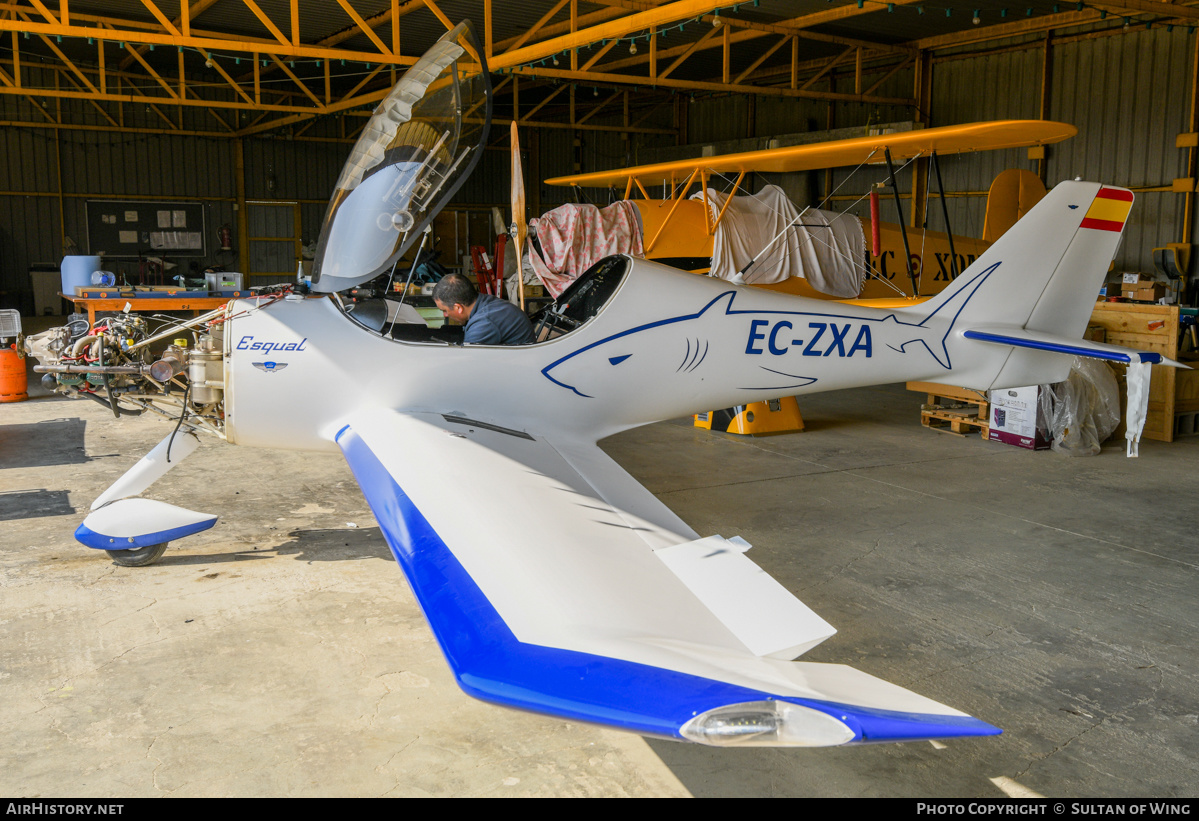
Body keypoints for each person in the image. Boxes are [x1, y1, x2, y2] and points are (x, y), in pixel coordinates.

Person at [431, 273, 536, 345]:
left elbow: (466, 364)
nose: (445, 315)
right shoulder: (486, 303)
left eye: (444, 310)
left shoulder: (484, 323)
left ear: (458, 308)